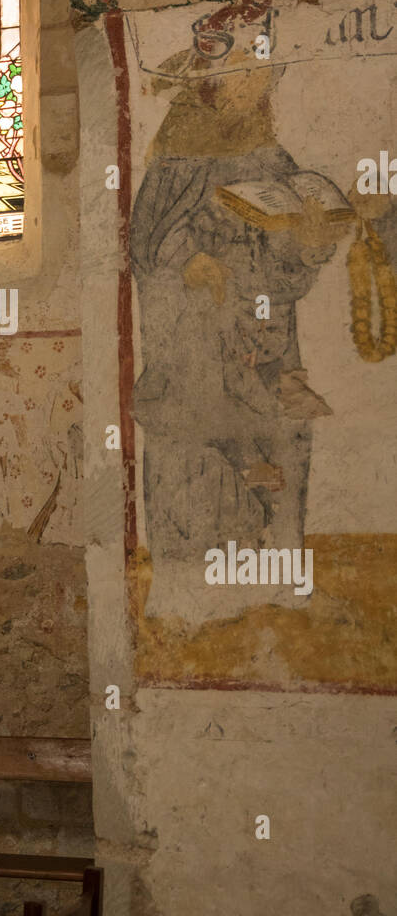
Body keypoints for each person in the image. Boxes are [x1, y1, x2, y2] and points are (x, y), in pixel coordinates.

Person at [131, 51, 351, 624]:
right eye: (247, 76)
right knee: (199, 447)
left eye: (263, 76)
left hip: (265, 334)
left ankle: (277, 584)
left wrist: (307, 244)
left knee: (283, 442)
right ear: (210, 81)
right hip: (195, 339)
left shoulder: (273, 157)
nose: (259, 88)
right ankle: (189, 597)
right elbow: (148, 249)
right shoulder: (174, 160)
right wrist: (190, 266)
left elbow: (281, 268)